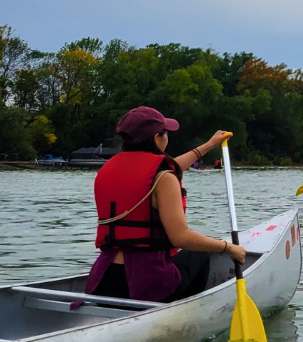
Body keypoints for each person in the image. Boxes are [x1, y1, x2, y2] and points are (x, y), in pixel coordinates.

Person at [89, 106, 246, 303]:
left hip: (104, 280)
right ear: (157, 138)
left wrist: (208, 145)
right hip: (145, 283)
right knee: (201, 253)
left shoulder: (110, 169)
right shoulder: (164, 178)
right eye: (166, 133)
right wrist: (228, 247)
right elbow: (180, 238)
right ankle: (185, 311)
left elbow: (170, 168)